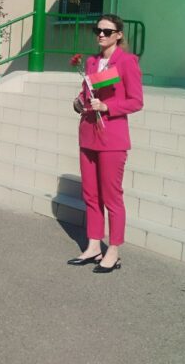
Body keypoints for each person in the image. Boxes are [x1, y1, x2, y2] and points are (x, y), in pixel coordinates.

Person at [69, 14, 143, 273]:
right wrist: (79, 102)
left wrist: (108, 106)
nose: (101, 35)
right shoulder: (91, 61)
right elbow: (85, 92)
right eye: (97, 30)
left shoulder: (127, 61)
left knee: (112, 197)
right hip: (88, 133)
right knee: (90, 194)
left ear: (119, 35)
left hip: (112, 138)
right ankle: (93, 245)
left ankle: (113, 249)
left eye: (107, 31)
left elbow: (136, 101)